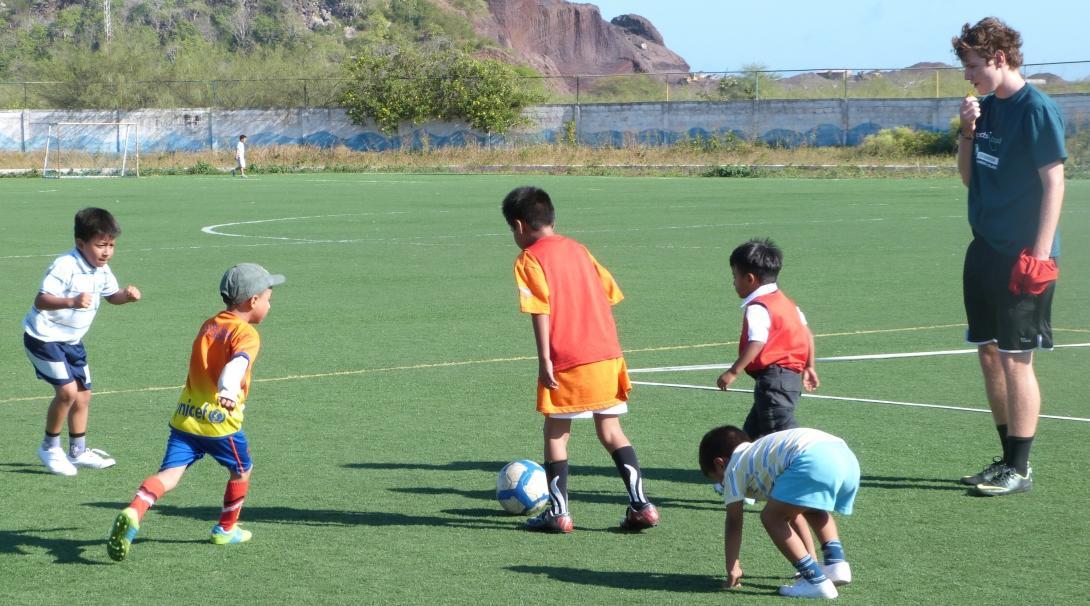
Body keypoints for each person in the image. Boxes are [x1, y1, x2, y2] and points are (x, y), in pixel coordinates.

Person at [502, 186, 658, 533]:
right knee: (611, 430)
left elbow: (539, 309)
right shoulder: (579, 249)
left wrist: (545, 359)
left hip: (568, 358)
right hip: (607, 353)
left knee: (556, 434)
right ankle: (641, 505)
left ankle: (558, 512)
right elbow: (610, 293)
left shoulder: (529, 259)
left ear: (518, 225)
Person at [953, 17, 1066, 496]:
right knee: (989, 353)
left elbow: (1054, 182)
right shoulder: (986, 110)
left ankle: (1019, 468)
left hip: (1023, 255)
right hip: (984, 248)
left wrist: (1040, 255)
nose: (968, 75)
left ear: (999, 58)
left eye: (974, 65)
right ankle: (1004, 459)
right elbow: (966, 178)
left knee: (1018, 358)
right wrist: (966, 130)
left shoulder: (1036, 109)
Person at [106, 263, 285, 561]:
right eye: (268, 299)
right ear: (253, 301)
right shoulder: (247, 334)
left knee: (170, 475)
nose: (269, 305)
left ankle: (134, 510)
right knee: (242, 469)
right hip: (219, 424)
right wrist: (228, 391)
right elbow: (236, 365)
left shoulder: (210, 324)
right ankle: (226, 529)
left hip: (185, 418)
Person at [24, 207, 141, 476]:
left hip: (72, 341)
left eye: (111, 245)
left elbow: (112, 296)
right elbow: (41, 300)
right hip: (43, 337)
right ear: (80, 244)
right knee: (67, 392)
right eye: (101, 245)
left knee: (84, 396)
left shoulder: (102, 269)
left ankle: (77, 451)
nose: (107, 252)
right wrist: (72, 301)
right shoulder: (65, 265)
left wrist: (127, 295)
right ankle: (50, 448)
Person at [699, 425, 859, 600]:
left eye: (718, 479)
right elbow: (794, 515)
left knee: (771, 518)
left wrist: (732, 568)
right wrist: (811, 560)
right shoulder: (763, 455)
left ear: (720, 464)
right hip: (845, 457)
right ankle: (836, 564)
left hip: (812, 459)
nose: (722, 485)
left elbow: (734, 522)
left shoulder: (734, 469)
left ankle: (816, 581)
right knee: (811, 508)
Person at [716, 238, 819, 440]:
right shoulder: (786, 302)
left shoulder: (758, 306)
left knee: (779, 433)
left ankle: (807, 459)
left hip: (774, 380)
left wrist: (733, 371)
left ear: (750, 279)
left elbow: (757, 341)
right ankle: (741, 468)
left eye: (734, 276)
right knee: (752, 434)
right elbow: (807, 334)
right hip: (787, 379)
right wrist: (809, 366)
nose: (733, 282)